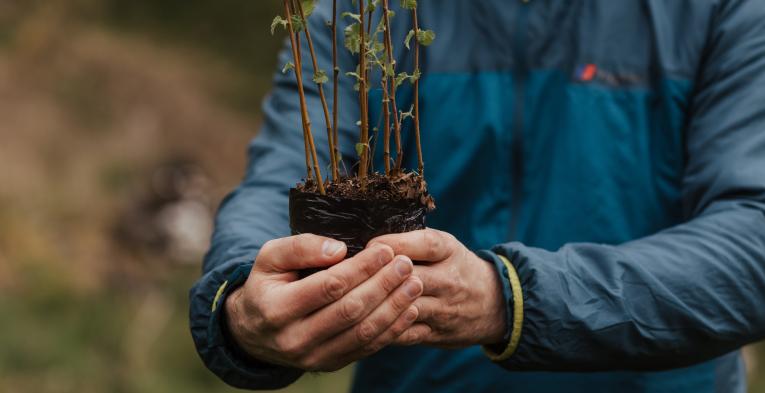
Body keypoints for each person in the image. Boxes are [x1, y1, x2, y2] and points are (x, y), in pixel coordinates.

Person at [189, 1, 765, 392]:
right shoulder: (365, 12)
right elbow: (282, 175)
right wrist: (239, 301)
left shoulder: (719, 11)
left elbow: (752, 240)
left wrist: (506, 298)